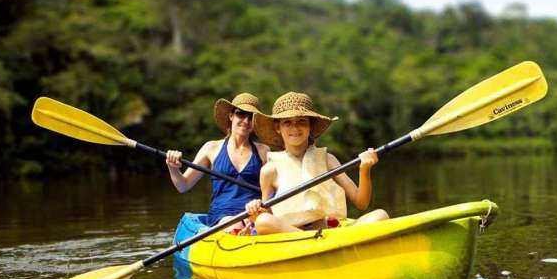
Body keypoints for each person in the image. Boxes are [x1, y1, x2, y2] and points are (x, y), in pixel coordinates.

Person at [244, 92, 389, 234]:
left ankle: (320, 240)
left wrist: (365, 169)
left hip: (327, 232)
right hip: (292, 236)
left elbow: (361, 202)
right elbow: (269, 214)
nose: (295, 128)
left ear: (311, 126)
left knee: (380, 215)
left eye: (301, 121)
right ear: (278, 128)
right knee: (263, 221)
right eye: (287, 122)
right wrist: (256, 211)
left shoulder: (328, 159)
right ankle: (310, 239)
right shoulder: (269, 170)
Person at [165, 93, 271, 225]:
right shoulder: (211, 148)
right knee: (235, 224)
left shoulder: (264, 151)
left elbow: (273, 191)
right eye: (241, 114)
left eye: (251, 117)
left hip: (254, 214)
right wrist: (173, 168)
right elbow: (183, 185)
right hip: (222, 217)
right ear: (231, 116)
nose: (246, 121)